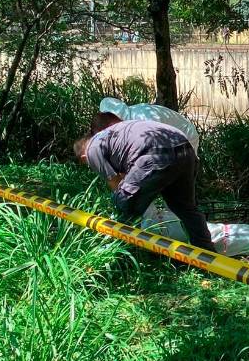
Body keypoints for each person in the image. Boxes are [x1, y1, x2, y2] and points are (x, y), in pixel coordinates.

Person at [74, 118, 216, 252]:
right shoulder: (111, 135)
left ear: (83, 157)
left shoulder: (92, 149)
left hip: (155, 153)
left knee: (122, 202)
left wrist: (125, 205)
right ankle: (207, 255)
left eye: (87, 164)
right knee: (186, 208)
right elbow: (131, 177)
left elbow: (116, 183)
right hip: (184, 147)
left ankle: (118, 251)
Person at [100, 97, 199, 154]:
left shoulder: (144, 118)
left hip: (185, 135)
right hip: (170, 140)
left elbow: (157, 145)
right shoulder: (128, 120)